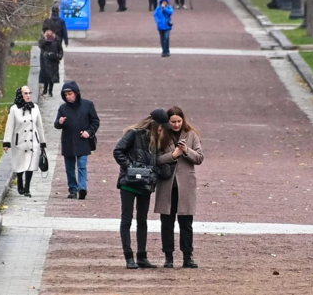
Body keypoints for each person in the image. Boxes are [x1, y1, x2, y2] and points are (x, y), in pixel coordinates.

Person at [113, 109, 169, 269]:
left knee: (142, 220)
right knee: (127, 219)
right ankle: (129, 257)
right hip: (129, 183)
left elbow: (156, 161)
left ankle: (142, 256)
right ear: (155, 124)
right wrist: (131, 167)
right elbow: (118, 151)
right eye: (161, 126)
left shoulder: (157, 140)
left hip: (145, 184)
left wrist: (154, 173)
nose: (162, 129)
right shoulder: (134, 134)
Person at [155, 106, 203, 269]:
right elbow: (157, 159)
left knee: (186, 223)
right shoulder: (161, 135)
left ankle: (187, 257)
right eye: (173, 122)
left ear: (183, 120)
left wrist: (185, 150)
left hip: (186, 185)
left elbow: (199, 158)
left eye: (179, 121)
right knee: (166, 223)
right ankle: (168, 257)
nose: (176, 125)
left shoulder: (191, 135)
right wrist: (173, 155)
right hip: (167, 184)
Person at [54, 81, 100, 200]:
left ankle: (82, 188)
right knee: (69, 168)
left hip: (82, 141)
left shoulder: (87, 105)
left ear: (76, 93)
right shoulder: (63, 108)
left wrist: (89, 132)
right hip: (68, 141)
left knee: (81, 165)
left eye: (70, 94)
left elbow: (95, 121)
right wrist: (60, 122)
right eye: (66, 95)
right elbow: (56, 125)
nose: (68, 97)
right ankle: (73, 189)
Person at [3, 86, 47, 197]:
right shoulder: (14, 109)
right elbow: (9, 127)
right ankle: (19, 181)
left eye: (29, 93)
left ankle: (27, 188)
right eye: (25, 93)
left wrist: (42, 141)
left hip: (33, 142)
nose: (28, 95)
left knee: (30, 165)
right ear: (20, 95)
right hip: (19, 142)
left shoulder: (35, 108)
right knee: (20, 165)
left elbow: (39, 126)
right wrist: (6, 142)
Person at [38, 28, 63, 97]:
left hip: (54, 60)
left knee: (52, 76)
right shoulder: (43, 39)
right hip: (45, 60)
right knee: (46, 76)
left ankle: (50, 91)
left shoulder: (56, 40)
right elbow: (41, 46)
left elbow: (60, 49)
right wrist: (46, 40)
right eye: (47, 31)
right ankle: (45, 89)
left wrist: (59, 56)